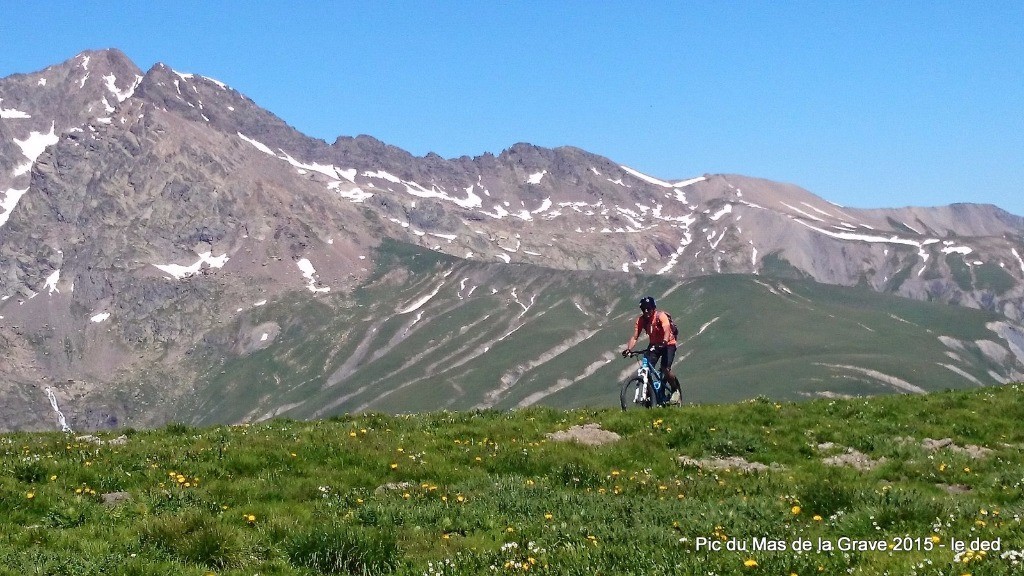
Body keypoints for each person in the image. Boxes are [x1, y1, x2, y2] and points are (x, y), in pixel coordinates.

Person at [622, 296, 679, 398]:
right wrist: (628, 349)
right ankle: (651, 394)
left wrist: (664, 341)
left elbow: (666, 329)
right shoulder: (641, 320)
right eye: (644, 309)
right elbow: (635, 337)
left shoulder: (661, 316)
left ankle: (675, 389)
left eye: (649, 308)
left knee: (665, 369)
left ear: (654, 308)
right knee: (646, 368)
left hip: (668, 344)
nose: (647, 311)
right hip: (654, 345)